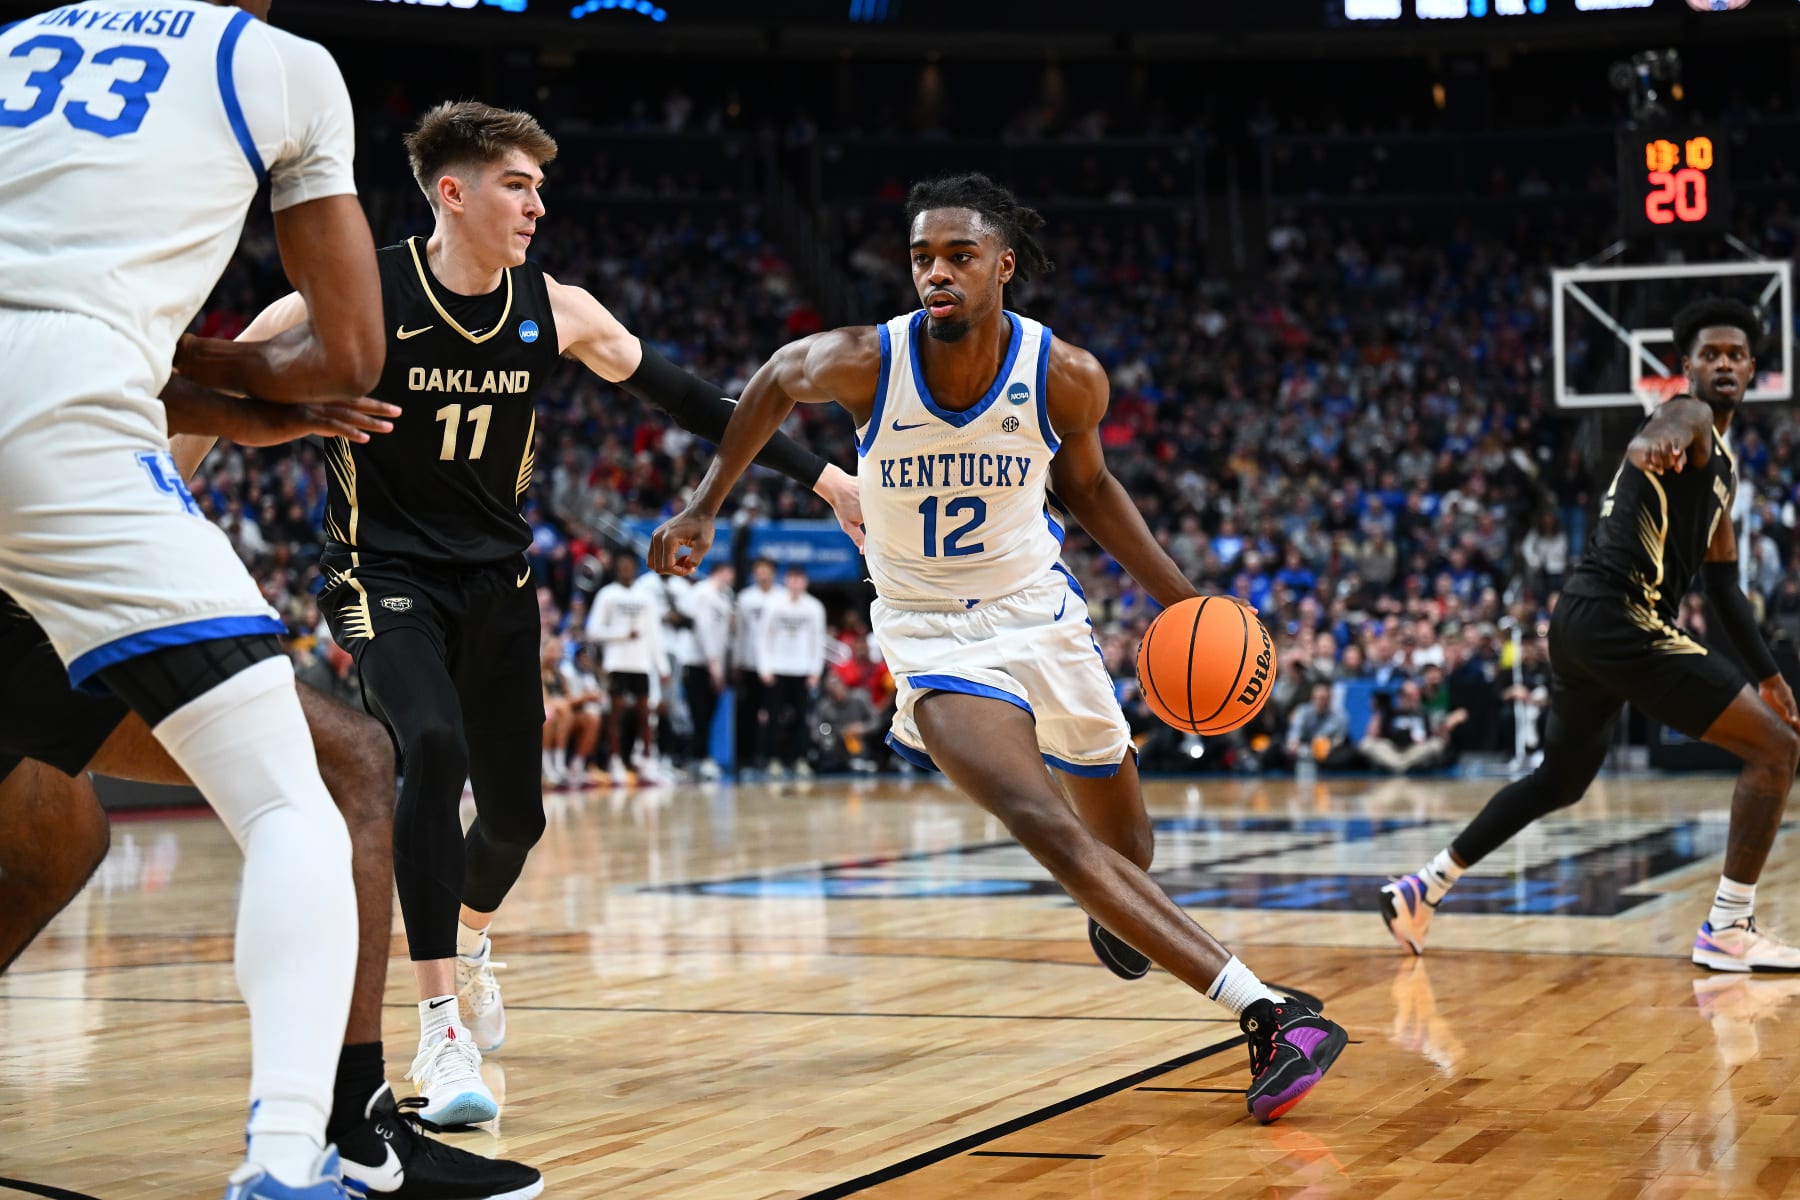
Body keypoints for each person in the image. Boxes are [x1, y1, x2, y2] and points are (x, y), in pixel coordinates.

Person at [649, 172, 1347, 1123]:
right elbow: (771, 382)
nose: (935, 273)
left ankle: (1122, 903)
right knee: (1041, 822)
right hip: (930, 634)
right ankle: (1270, 1013)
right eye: (921, 258)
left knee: (1126, 848)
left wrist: (1189, 603)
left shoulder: (1066, 375)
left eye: (959, 256)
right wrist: (705, 501)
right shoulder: (866, 361)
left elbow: (1091, 490)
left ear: (1003, 266)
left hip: (1042, 617)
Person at [224, 100, 860, 1123]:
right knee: (427, 748)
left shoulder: (554, 307)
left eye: (539, 185)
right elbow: (242, 353)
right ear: (454, 191)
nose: (537, 204)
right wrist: (165, 481)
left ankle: (470, 937)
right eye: (517, 184)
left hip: (498, 583)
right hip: (377, 574)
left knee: (516, 819)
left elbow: (691, 396)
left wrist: (826, 479)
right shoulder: (365, 289)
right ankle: (435, 1035)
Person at [0, 4, 389, 1194]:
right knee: (303, 791)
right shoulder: (275, 64)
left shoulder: (16, 42)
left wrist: (205, 400)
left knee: (53, 826)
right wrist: (228, 376)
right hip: (58, 416)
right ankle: (289, 1160)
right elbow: (350, 356)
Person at [1, 399, 544, 1199]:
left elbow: (183, 370)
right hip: (34, 581)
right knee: (352, 760)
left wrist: (251, 391)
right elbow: (184, 370)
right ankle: (351, 1134)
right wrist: (267, 385)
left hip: (36, 561)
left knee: (59, 838)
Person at [1381, 298, 1800, 971]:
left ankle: (1422, 887)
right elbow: (1663, 427)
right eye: (1710, 354)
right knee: (1776, 751)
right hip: (1618, 615)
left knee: (1561, 779)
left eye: (1735, 354)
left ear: (1753, 368)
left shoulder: (1726, 467)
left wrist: (1771, 675)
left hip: (1582, 623)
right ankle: (1729, 927)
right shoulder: (1686, 419)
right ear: (1686, 366)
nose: (1723, 362)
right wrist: (1647, 443)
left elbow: (1723, 587)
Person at [588, 551, 667, 784]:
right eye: (622, 566)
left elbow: (654, 634)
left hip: (641, 664)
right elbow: (593, 631)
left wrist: (662, 667)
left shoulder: (646, 597)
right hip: (616, 663)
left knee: (645, 714)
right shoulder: (607, 595)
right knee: (616, 714)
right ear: (616, 568)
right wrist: (622, 634)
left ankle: (647, 761)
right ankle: (615, 762)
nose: (626, 570)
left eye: (630, 566)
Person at [758, 565, 828, 779]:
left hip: (803, 670)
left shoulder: (814, 607)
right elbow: (763, 637)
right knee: (774, 718)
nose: (796, 583)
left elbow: (819, 640)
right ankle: (774, 760)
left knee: (802, 719)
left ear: (805, 582)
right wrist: (765, 667)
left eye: (800, 579)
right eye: (792, 579)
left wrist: (815, 670)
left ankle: (801, 759)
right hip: (777, 669)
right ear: (786, 581)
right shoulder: (773, 604)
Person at [681, 563, 737, 780]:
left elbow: (723, 636)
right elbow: (704, 630)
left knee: (709, 713)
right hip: (698, 663)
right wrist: (714, 664)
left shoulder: (723, 598)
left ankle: (702, 757)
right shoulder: (705, 594)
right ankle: (698, 758)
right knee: (699, 713)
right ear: (723, 572)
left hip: (714, 664)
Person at [1358, 679, 1465, 775]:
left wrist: (1445, 727)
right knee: (1366, 743)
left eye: (1415, 695)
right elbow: (1372, 735)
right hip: (1392, 750)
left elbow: (1437, 737)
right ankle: (1401, 766)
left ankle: (1399, 767)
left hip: (1414, 750)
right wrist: (1377, 713)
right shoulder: (1389, 712)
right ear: (1400, 696)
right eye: (1408, 695)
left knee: (1436, 744)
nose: (1412, 699)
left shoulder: (1423, 714)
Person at [734, 557, 779, 774]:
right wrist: (737, 661)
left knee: (773, 713)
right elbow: (739, 633)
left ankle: (771, 757)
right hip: (749, 664)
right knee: (747, 713)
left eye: (766, 570)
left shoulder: (782, 597)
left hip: (775, 666)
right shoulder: (745, 598)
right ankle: (746, 758)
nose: (763, 574)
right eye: (758, 570)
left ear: (773, 572)